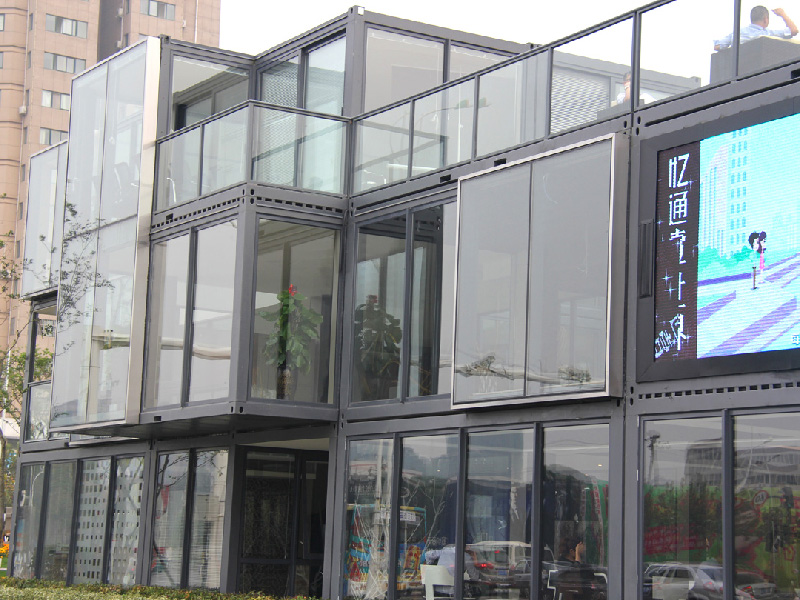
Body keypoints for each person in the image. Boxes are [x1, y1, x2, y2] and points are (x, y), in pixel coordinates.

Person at [714, 6, 798, 50]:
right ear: (765, 19)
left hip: (738, 70)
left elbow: (717, 46)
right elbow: (794, 30)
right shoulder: (766, 34)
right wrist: (782, 14)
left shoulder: (737, 33)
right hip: (759, 68)